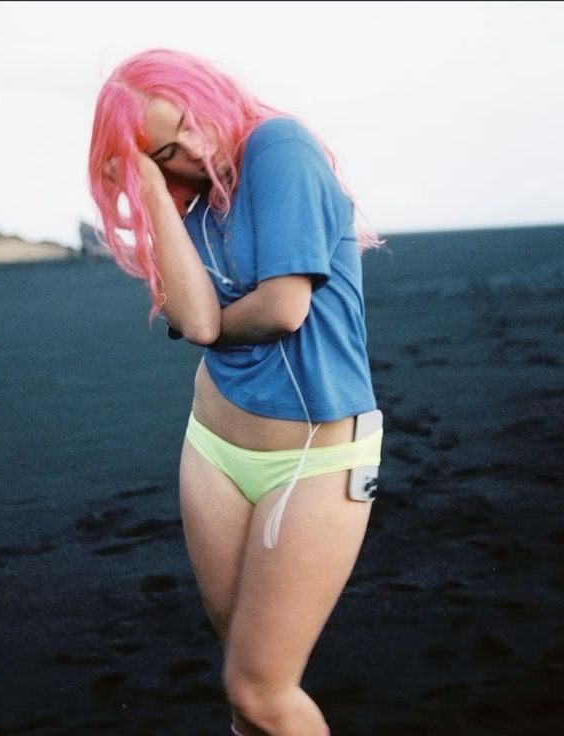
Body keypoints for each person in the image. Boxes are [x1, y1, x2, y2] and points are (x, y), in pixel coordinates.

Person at [88, 48, 384, 736]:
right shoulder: (186, 201)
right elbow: (193, 322)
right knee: (243, 687)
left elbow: (283, 308)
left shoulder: (279, 148)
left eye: (191, 123)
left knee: (260, 690)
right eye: (167, 151)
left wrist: (214, 324)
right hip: (214, 452)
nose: (194, 149)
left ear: (209, 93)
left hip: (318, 461)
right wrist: (153, 191)